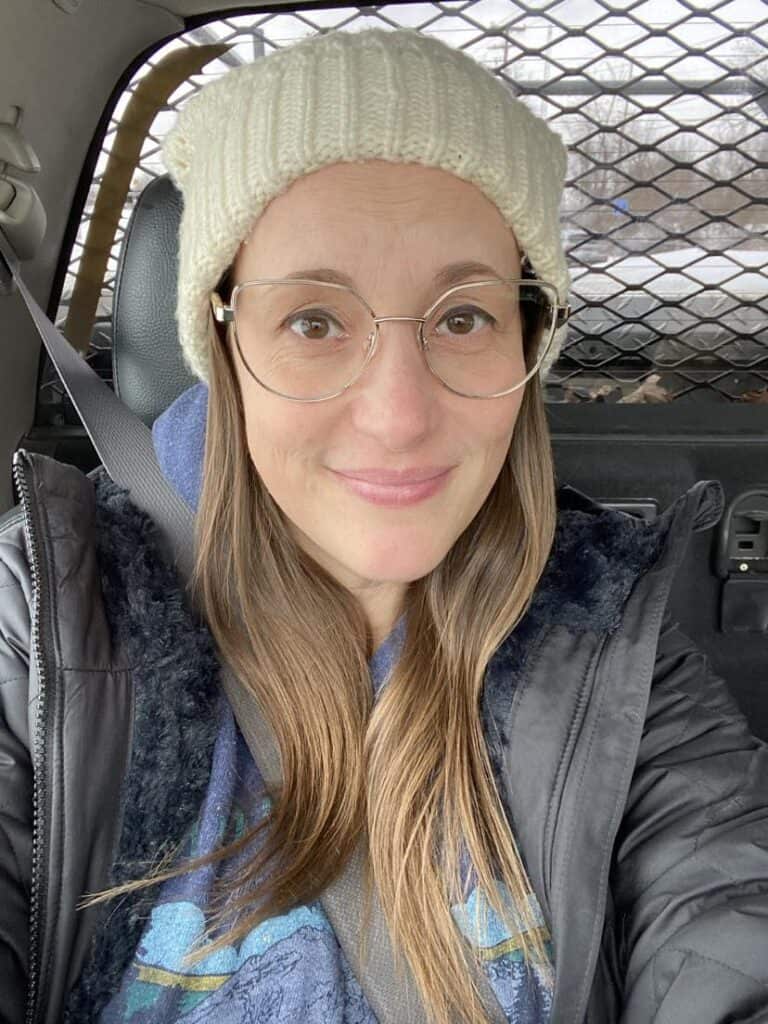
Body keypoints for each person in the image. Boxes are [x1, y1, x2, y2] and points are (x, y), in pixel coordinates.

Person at [1, 25, 767, 1024]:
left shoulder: (616, 637)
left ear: (529, 341)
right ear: (221, 343)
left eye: (462, 317)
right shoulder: (42, 624)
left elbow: (725, 932)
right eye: (314, 322)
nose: (399, 415)